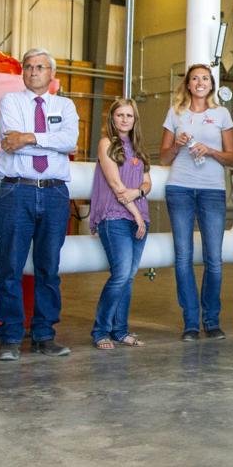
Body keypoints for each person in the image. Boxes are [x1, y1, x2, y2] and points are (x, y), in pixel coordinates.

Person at [0, 48, 81, 361]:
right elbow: (9, 142)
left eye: (40, 67)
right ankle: (11, 337)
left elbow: (70, 142)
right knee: (11, 267)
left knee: (48, 268)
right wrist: (46, 139)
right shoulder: (11, 102)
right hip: (17, 192)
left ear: (51, 75)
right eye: (28, 67)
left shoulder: (65, 105)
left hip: (56, 194)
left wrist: (29, 138)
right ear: (23, 72)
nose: (33, 72)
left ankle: (45, 335)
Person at [159, 63, 233, 341]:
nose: (200, 82)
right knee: (183, 258)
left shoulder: (221, 114)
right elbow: (164, 158)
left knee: (214, 259)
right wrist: (178, 145)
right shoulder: (175, 113)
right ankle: (191, 323)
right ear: (188, 85)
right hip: (179, 188)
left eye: (205, 78)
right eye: (195, 78)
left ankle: (211, 320)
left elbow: (232, 159)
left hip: (211, 191)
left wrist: (211, 150)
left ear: (211, 84)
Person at [88, 98, 151, 350]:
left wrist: (138, 193)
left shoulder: (139, 148)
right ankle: (100, 330)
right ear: (112, 118)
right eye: (120, 115)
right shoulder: (107, 144)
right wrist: (136, 213)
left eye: (129, 116)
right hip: (115, 217)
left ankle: (120, 330)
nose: (125, 120)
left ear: (135, 120)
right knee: (121, 274)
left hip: (139, 216)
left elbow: (147, 183)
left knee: (129, 278)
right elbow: (116, 186)